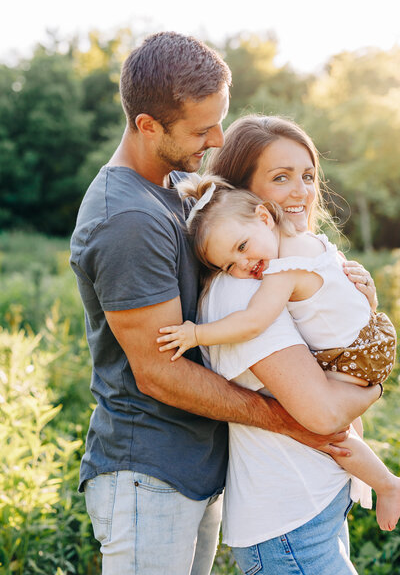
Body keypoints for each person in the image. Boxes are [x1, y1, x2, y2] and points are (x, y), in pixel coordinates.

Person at [70, 36, 379, 575]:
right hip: (150, 471)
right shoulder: (127, 220)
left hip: (200, 465)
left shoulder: (180, 190)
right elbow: (159, 374)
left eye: (220, 122)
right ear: (147, 125)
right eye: (200, 129)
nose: (216, 140)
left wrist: (348, 301)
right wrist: (293, 421)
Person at [154, 114, 387, 574]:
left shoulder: (291, 267)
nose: (301, 192)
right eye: (281, 178)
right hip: (288, 520)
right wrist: (377, 381)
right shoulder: (245, 287)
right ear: (246, 193)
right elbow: (323, 413)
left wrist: (360, 302)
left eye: (307, 175)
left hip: (311, 506)